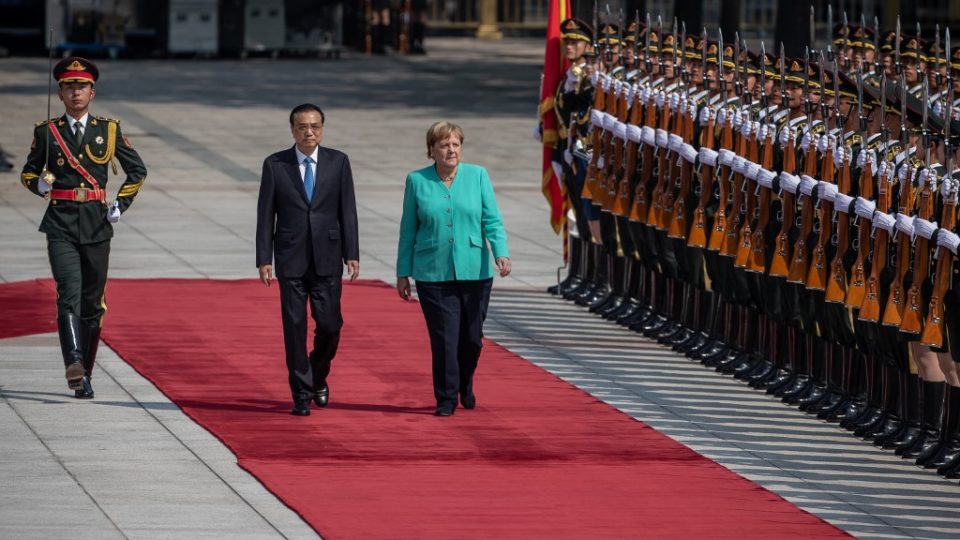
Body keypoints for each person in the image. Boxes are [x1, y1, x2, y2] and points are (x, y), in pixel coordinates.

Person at [19, 56, 147, 399]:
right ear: (59, 93)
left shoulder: (109, 129)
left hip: (96, 223)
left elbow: (138, 171)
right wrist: (40, 186)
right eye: (69, 87)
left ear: (92, 92)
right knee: (68, 293)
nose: (76, 93)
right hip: (60, 222)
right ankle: (73, 361)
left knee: (94, 303)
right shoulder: (47, 132)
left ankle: (84, 376)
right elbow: (28, 173)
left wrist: (121, 204)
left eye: (82, 87)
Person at [396, 121, 510, 416]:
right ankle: (446, 398)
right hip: (433, 272)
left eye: (456, 144)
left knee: (472, 339)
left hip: (475, 270)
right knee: (444, 338)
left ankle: (465, 380)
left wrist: (501, 253)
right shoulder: (417, 180)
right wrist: (402, 272)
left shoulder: (478, 176)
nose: (451, 150)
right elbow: (408, 229)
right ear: (431, 150)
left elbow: (492, 220)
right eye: (444, 145)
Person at [256, 103, 360, 417]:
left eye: (314, 126)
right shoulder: (276, 164)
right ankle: (301, 394)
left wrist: (351, 253)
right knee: (295, 327)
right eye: (302, 126)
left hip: (328, 256)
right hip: (290, 258)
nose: (309, 132)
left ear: (322, 128)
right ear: (292, 130)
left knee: (330, 325)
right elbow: (265, 215)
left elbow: (348, 211)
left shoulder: (338, 162)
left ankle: (317, 375)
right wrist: (264, 258)